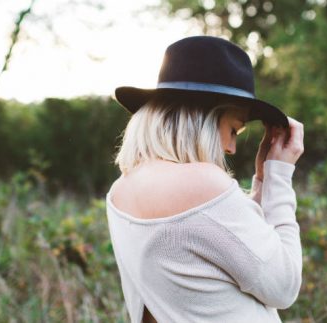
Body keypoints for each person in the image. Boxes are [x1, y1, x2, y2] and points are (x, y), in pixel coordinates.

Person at [106, 36, 304, 323]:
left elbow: (219, 245)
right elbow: (284, 286)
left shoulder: (120, 192)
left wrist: (262, 179)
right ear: (204, 120)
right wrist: (280, 176)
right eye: (234, 130)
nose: (231, 148)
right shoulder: (204, 183)